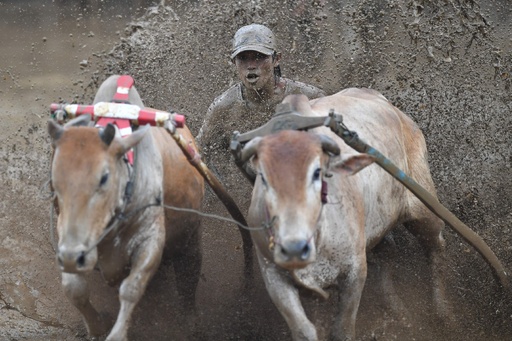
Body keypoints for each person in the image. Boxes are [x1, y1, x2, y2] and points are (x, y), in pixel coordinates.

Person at [197, 23, 325, 205]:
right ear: (234, 62)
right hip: (250, 196)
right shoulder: (222, 108)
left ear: (276, 59)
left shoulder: (307, 97)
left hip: (304, 189)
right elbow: (200, 151)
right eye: (243, 58)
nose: (251, 66)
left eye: (259, 57)